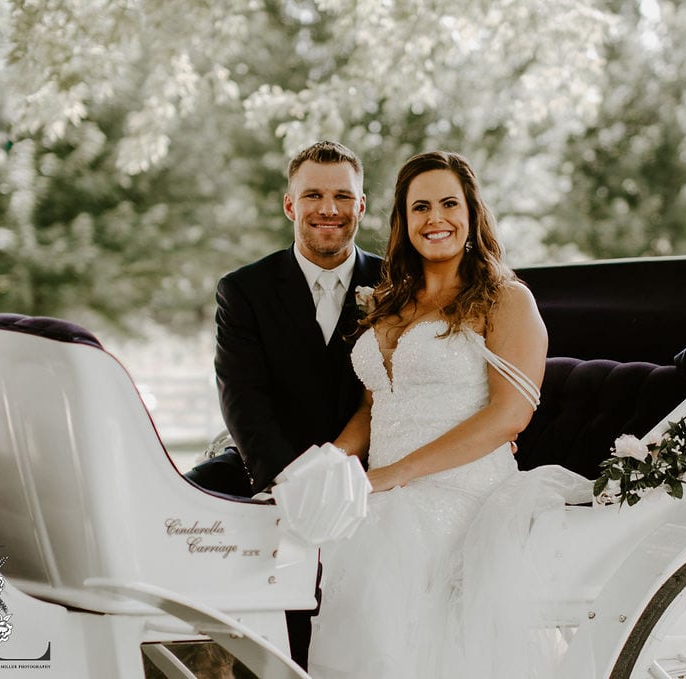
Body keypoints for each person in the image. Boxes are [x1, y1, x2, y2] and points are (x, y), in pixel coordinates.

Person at [307, 151, 593, 679]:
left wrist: (391, 477)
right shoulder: (390, 302)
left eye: (448, 204)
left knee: (385, 533)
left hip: (465, 490)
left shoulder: (506, 300)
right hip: (386, 486)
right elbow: (376, 403)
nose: (435, 218)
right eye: (420, 207)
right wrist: (329, 463)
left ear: (472, 213)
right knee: (324, 525)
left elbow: (510, 416)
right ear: (404, 221)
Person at [183, 140, 382, 670]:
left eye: (343, 196)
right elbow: (242, 398)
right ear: (290, 205)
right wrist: (292, 483)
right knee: (190, 509)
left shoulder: (394, 285)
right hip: (266, 463)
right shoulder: (243, 290)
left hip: (364, 465)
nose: (329, 209)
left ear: (362, 205)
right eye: (313, 195)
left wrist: (337, 473)